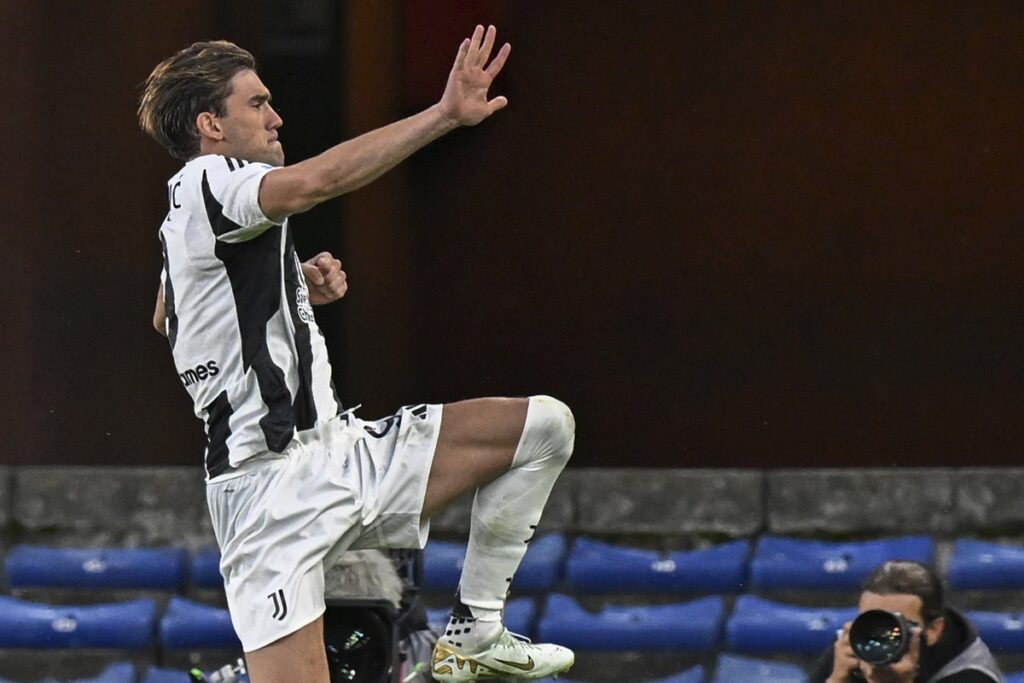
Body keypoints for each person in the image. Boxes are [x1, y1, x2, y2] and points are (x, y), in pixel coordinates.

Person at [138, 27, 575, 683]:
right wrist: (443, 115)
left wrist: (288, 291)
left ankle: (473, 634)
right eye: (256, 103)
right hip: (268, 493)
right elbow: (315, 182)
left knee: (543, 425)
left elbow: (166, 313)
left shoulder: (189, 208)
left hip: (341, 453)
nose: (275, 116)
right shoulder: (211, 176)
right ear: (210, 125)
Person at [809, 560, 1002, 683]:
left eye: (898, 624)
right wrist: (836, 679)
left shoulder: (969, 673)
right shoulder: (854, 644)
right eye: (873, 620)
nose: (882, 636)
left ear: (934, 629)